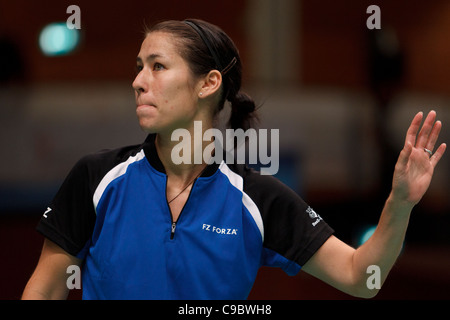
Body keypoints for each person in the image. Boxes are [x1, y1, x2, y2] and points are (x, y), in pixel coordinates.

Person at [22, 19, 446, 300]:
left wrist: (400, 203)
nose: (138, 81)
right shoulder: (97, 178)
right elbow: (42, 292)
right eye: (138, 67)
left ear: (209, 84)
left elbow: (360, 277)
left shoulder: (257, 200)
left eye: (157, 66)